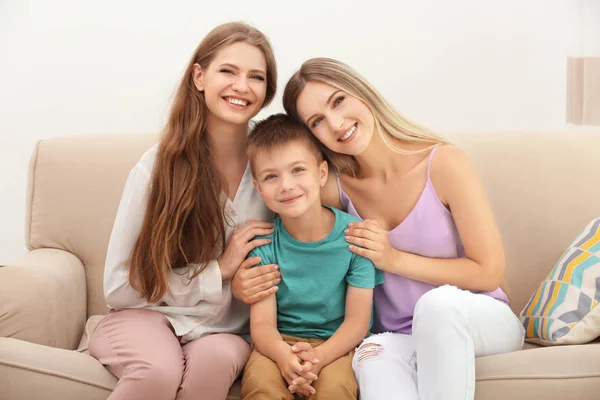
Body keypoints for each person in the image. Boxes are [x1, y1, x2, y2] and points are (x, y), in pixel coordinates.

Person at [233, 57, 525, 400]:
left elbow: (488, 272)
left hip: (476, 320)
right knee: (371, 356)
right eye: (318, 122)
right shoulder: (332, 186)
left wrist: (393, 258)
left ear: (361, 92)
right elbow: (276, 192)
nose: (337, 124)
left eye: (338, 101)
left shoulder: (444, 163)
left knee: (437, 307)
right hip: (397, 335)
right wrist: (238, 283)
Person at [88, 22, 282, 400]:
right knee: (157, 371)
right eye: (228, 71)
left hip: (227, 332)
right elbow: (118, 285)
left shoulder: (279, 165)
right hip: (147, 319)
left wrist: (247, 289)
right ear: (199, 76)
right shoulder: (157, 167)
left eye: (255, 77)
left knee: (212, 363)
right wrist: (220, 271)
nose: (242, 86)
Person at [239, 114, 383, 400]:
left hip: (336, 344)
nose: (286, 186)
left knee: (335, 389)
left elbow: (357, 322)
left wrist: (317, 358)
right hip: (278, 344)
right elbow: (262, 325)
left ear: (321, 173)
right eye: (271, 176)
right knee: (260, 385)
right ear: (258, 188)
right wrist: (283, 357)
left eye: (298, 170)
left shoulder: (355, 238)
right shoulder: (263, 244)